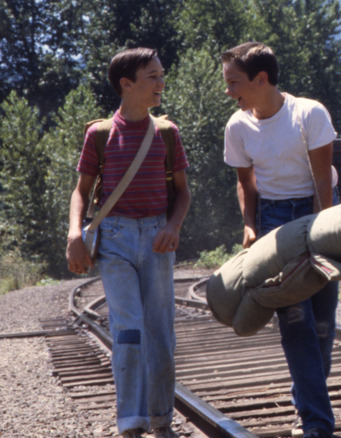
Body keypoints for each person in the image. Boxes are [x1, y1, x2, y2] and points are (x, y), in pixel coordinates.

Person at [65, 47, 191, 438]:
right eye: (153, 76)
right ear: (127, 84)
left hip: (157, 240)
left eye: (161, 74)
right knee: (129, 330)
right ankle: (131, 424)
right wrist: (74, 233)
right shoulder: (100, 134)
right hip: (116, 239)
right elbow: (81, 192)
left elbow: (184, 193)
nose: (161, 83)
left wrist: (173, 226)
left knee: (160, 333)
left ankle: (161, 421)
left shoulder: (168, 134)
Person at [221, 42, 338, 438]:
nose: (228, 91)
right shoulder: (237, 126)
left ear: (262, 79)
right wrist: (249, 224)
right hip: (273, 220)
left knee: (321, 322)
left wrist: (327, 231)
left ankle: (307, 398)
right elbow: (245, 183)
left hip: (316, 212)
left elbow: (323, 178)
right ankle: (317, 423)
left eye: (233, 83)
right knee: (295, 321)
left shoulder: (308, 113)